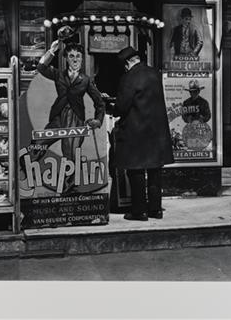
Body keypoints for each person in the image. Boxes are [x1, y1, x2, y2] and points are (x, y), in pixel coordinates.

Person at [113, 46, 174, 221]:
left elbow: (122, 106)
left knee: (136, 170)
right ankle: (155, 209)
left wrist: (114, 109)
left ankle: (139, 211)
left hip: (136, 131)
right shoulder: (154, 73)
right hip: (156, 131)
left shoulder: (129, 77)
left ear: (127, 63)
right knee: (155, 170)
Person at [37, 40, 105, 173]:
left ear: (82, 59)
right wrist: (51, 51)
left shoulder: (86, 80)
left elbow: (100, 103)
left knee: (71, 155)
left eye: (78, 56)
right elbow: (41, 68)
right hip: (58, 117)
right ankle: (26, 171)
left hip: (75, 119)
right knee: (38, 144)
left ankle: (70, 184)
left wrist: (98, 120)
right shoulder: (58, 75)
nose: (75, 59)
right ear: (66, 59)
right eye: (71, 56)